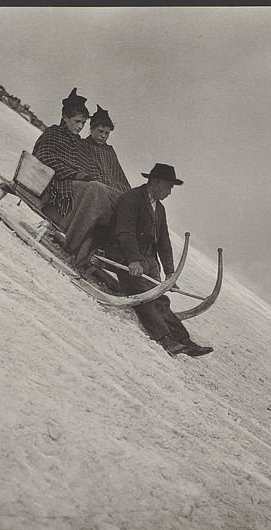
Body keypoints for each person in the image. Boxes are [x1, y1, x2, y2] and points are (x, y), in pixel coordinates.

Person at [104, 163, 213, 357]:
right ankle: (165, 339)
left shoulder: (159, 208)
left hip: (145, 260)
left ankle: (184, 340)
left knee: (160, 297)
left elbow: (163, 241)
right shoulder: (132, 199)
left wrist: (170, 273)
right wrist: (134, 260)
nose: (170, 192)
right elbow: (125, 232)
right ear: (154, 182)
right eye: (168, 187)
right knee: (144, 295)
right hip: (124, 256)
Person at [31, 88, 121, 268]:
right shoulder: (53, 133)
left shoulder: (77, 143)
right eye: (77, 122)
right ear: (65, 118)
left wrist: (86, 176)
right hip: (55, 186)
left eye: (83, 123)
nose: (80, 127)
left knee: (103, 192)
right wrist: (78, 175)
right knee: (96, 190)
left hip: (73, 185)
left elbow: (85, 167)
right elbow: (45, 157)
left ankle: (91, 245)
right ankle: (76, 244)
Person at [68, 105, 133, 270]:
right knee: (100, 196)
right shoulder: (82, 145)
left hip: (113, 193)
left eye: (107, 133)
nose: (103, 136)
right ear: (91, 129)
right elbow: (84, 170)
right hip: (93, 192)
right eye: (100, 131)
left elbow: (119, 176)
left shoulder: (109, 151)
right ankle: (80, 252)